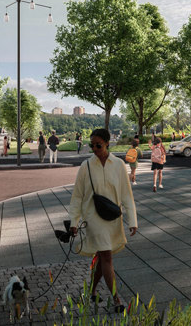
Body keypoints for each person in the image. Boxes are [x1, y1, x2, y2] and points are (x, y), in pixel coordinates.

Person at [69, 129, 138, 313]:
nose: (94, 148)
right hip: (93, 218)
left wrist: (132, 220)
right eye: (91, 145)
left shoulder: (118, 165)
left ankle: (91, 291)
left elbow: (126, 194)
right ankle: (116, 299)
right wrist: (73, 222)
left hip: (113, 217)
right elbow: (77, 197)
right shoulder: (86, 166)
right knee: (106, 256)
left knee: (102, 256)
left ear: (107, 143)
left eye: (98, 145)